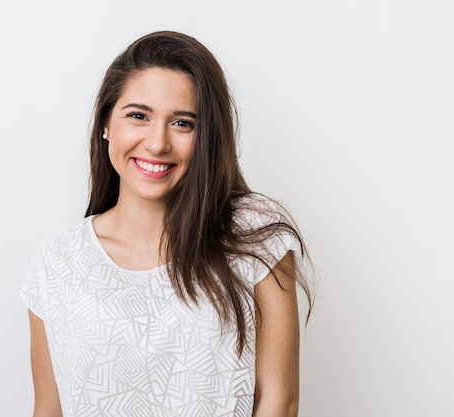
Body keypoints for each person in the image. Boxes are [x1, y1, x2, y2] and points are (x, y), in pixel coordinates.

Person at [21, 31, 312, 417]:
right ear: (106, 123)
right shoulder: (57, 265)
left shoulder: (255, 237)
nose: (157, 143)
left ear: (206, 136)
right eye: (138, 116)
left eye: (183, 123)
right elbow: (49, 408)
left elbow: (279, 400)